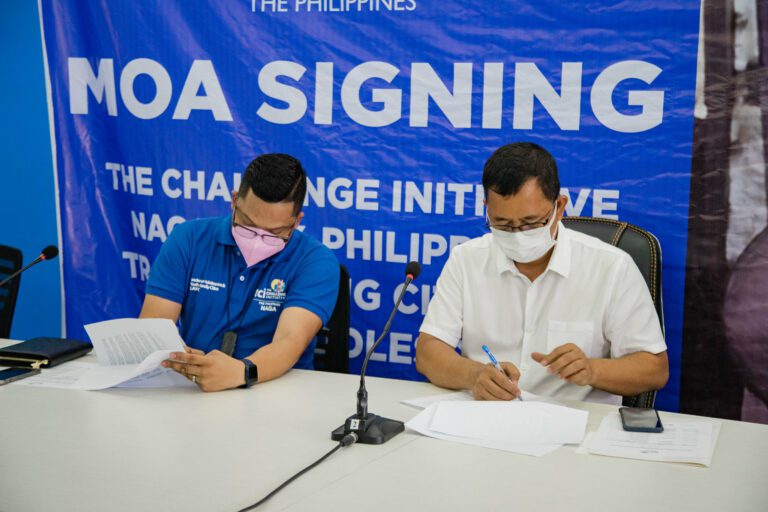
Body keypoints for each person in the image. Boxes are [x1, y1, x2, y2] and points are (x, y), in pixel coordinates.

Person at [415, 142, 668, 404]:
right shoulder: (466, 259)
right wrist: (475, 375)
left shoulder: (611, 267)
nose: (517, 235)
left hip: (575, 425)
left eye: (530, 223)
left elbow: (655, 369)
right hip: (487, 418)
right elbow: (428, 352)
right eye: (502, 224)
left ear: (559, 207)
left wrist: (593, 370)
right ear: (486, 207)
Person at [139, 153, 340, 391]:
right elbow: (154, 326)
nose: (256, 240)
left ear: (296, 221)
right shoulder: (188, 238)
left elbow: (290, 341)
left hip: (277, 389)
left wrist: (242, 372)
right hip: (192, 386)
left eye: (273, 233)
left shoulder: (316, 261)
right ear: (235, 200)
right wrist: (182, 359)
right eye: (247, 225)